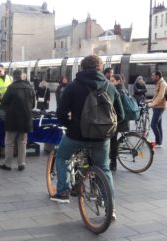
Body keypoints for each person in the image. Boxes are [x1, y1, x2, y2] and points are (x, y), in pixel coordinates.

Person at [51, 55, 124, 219]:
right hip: (101, 138)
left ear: (82, 68)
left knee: (62, 157)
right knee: (104, 168)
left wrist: (70, 126)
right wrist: (106, 129)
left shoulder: (73, 86)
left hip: (77, 134)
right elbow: (121, 114)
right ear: (100, 67)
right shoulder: (110, 87)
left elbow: (61, 112)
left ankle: (62, 192)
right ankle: (109, 207)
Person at [0, 69, 35, 171]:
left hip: (12, 119)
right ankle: (21, 163)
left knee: (9, 142)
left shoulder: (11, 88)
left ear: (13, 77)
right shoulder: (29, 87)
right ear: (22, 76)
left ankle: (8, 164)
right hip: (25, 120)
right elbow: (33, 105)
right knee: (22, 142)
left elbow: (4, 102)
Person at [109, 74, 130, 171]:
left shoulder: (117, 91)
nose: (111, 82)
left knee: (113, 141)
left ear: (118, 81)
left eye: (112, 81)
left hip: (119, 121)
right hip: (124, 120)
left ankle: (113, 163)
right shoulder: (124, 89)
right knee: (113, 141)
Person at [146, 71, 167, 148]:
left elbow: (160, 96)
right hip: (157, 106)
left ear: (157, 76)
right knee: (158, 125)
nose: (151, 77)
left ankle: (158, 142)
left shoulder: (162, 83)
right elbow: (156, 95)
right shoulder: (159, 83)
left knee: (153, 124)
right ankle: (159, 142)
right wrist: (150, 101)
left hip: (160, 107)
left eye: (153, 76)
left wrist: (151, 104)